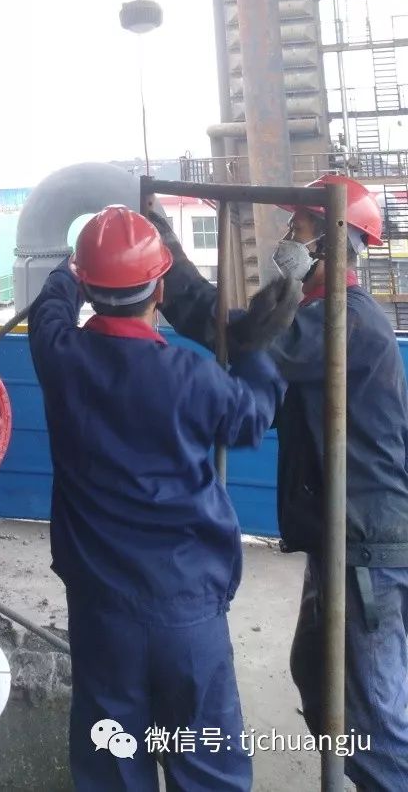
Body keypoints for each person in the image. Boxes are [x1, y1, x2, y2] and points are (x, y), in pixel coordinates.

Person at [27, 205, 294, 790]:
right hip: (185, 610)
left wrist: (72, 270)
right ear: (161, 290)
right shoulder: (191, 378)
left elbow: (50, 305)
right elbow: (253, 417)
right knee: (207, 767)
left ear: (90, 289)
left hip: (101, 612)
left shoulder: (58, 355)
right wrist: (253, 347)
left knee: (113, 765)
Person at [156, 173, 408, 791]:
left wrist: (169, 263)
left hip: (366, 544)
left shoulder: (344, 323)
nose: (288, 236)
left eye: (301, 224)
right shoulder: (324, 318)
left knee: (375, 721)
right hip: (342, 537)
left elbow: (241, 334)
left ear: (332, 240)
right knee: (316, 675)